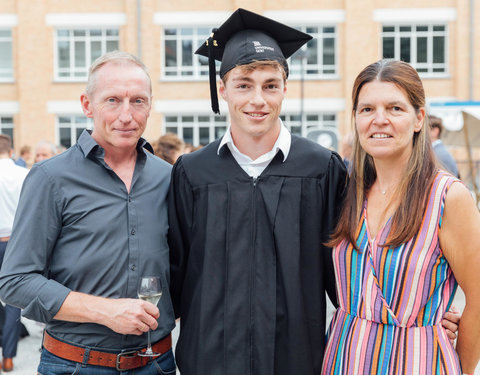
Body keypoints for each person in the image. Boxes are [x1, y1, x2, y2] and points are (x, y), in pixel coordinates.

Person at [168, 9, 347, 375]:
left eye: (270, 85)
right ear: (222, 88)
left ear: (285, 88)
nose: (258, 99)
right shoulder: (193, 172)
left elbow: (345, 272)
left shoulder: (322, 168)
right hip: (209, 358)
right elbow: (174, 269)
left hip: (296, 358)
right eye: (244, 84)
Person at [0, 51, 176, 374]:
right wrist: (104, 311)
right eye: (112, 100)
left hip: (157, 364)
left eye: (138, 101)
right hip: (76, 365)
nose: (127, 115)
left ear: (150, 106)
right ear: (87, 105)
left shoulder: (169, 178)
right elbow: (15, 281)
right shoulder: (50, 179)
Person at [322, 60, 480, 374]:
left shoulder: (447, 197)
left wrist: (458, 365)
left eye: (395, 108)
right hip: (345, 358)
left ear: (419, 118)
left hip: (418, 362)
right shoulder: (348, 191)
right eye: (366, 109)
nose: (379, 120)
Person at [0, 134, 29, 371]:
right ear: (10, 151)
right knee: (13, 301)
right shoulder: (24, 174)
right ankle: (8, 356)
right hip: (16, 242)